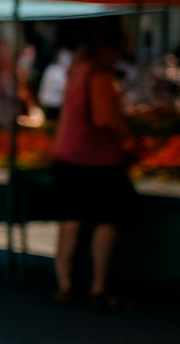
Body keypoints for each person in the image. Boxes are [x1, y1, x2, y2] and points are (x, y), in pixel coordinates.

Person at [50, 21, 135, 307]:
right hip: (95, 157)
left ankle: (65, 283)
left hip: (67, 152)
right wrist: (128, 134)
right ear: (111, 49)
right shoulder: (99, 73)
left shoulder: (77, 67)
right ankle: (98, 285)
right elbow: (103, 118)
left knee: (70, 219)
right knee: (107, 219)